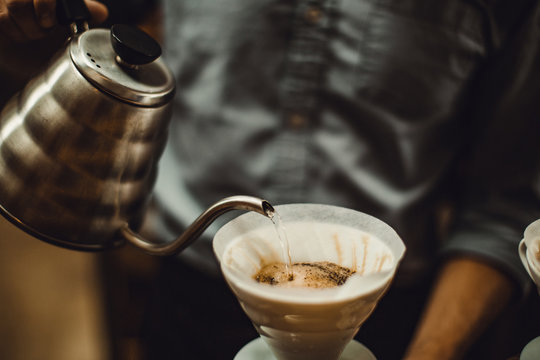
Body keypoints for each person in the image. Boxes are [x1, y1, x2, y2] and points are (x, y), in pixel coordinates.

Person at [1, 0, 540, 359]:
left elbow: (503, 201)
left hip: (394, 316)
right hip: (190, 292)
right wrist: (28, 27)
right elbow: (81, 34)